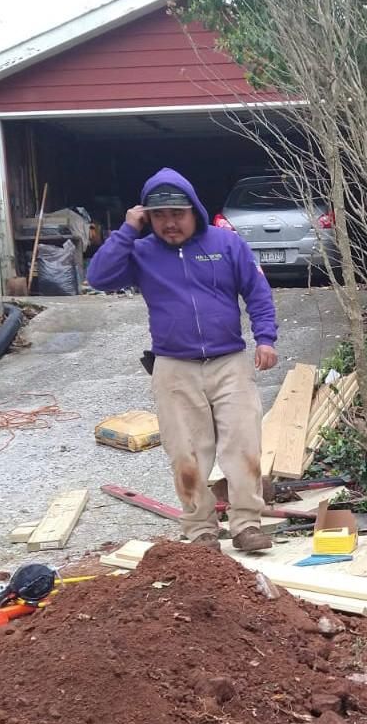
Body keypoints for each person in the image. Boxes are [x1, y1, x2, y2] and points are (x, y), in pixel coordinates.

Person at [87, 167, 278, 552]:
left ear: (195, 210)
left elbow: (257, 291)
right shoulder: (141, 252)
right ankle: (201, 530)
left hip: (229, 361)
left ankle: (246, 526)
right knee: (186, 453)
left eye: (178, 213)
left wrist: (265, 338)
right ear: (147, 216)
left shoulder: (226, 244)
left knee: (243, 445)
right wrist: (127, 230)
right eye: (159, 216)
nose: (170, 223)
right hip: (174, 365)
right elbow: (99, 277)